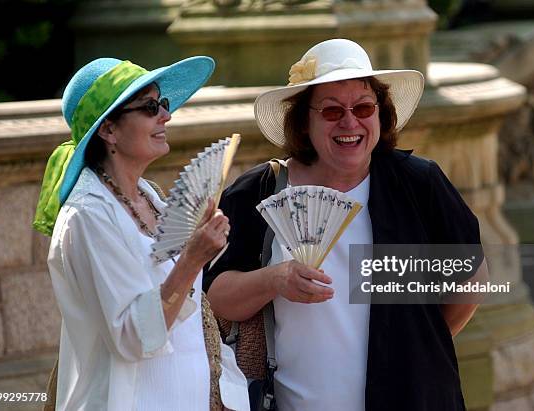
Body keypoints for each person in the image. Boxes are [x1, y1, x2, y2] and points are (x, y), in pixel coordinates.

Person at [203, 39, 490, 411]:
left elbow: (472, 277)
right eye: (331, 111)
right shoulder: (260, 190)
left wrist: (418, 345)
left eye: (364, 107)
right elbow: (215, 298)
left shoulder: (418, 183)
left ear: (380, 114)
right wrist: (275, 279)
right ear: (304, 122)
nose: (350, 122)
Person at [33, 56, 249, 411]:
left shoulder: (149, 195)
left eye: (163, 103)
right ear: (109, 130)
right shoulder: (87, 215)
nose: (166, 115)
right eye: (150, 107)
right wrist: (192, 259)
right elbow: (131, 338)